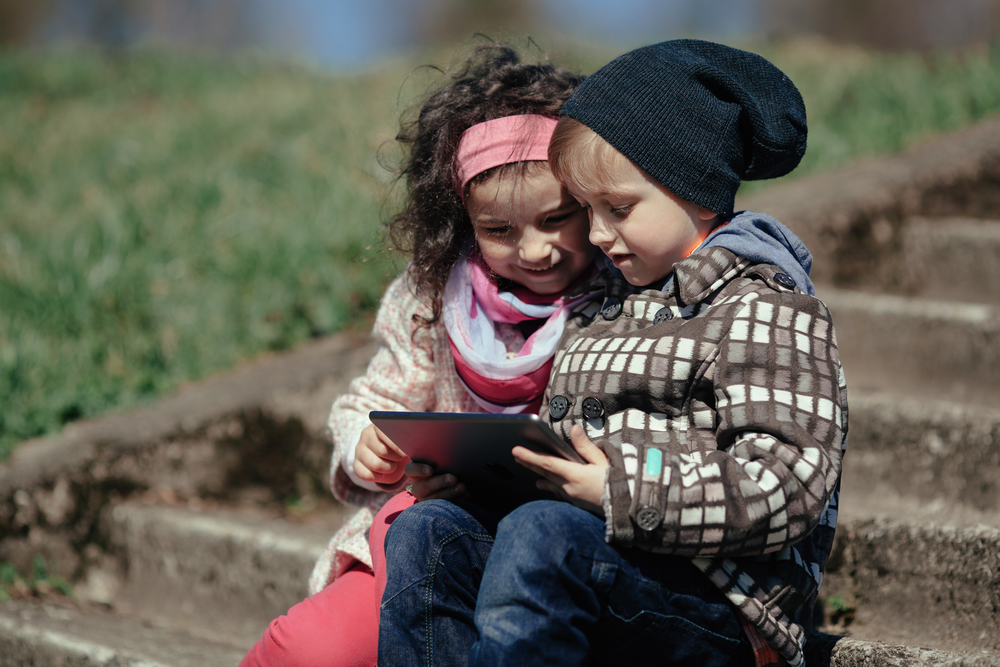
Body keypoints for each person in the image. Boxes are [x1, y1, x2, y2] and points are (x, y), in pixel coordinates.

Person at [377, 39, 848, 667]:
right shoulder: (609, 307)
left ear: (697, 189)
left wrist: (622, 490)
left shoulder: (765, 310)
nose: (597, 234)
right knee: (430, 532)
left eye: (618, 209)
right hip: (596, 561)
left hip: (719, 602)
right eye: (589, 211)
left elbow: (787, 483)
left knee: (546, 536)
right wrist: (475, 483)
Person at [239, 44, 602, 667]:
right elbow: (373, 403)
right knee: (306, 648)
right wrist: (371, 451)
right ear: (463, 222)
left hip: (557, 552)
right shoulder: (431, 297)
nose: (535, 250)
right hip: (424, 535)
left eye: (556, 219)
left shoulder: (624, 293)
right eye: (500, 231)